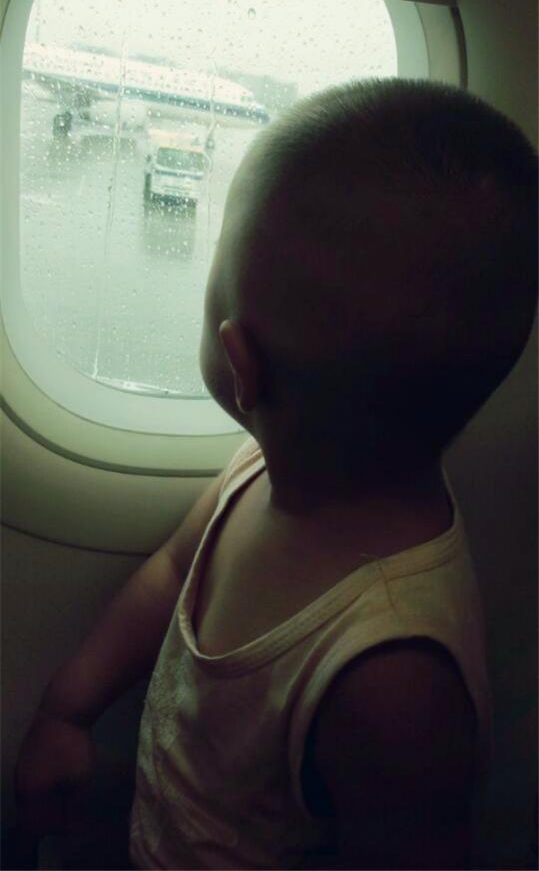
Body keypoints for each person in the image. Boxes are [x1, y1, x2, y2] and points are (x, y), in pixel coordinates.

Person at [15, 79, 538, 870]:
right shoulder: (266, 465)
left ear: (240, 362)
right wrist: (68, 707)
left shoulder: (392, 676)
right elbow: (174, 570)